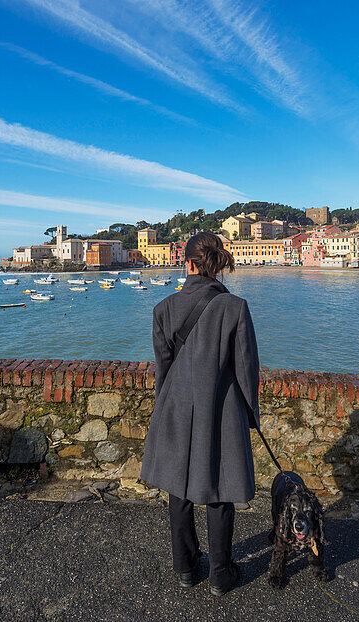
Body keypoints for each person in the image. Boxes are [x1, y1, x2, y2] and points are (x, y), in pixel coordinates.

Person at [140, 231, 261, 596]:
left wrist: (163, 410)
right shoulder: (235, 307)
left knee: (178, 488)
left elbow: (163, 368)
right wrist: (250, 416)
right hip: (220, 407)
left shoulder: (163, 309)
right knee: (220, 489)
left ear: (187, 263)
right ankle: (221, 575)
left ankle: (186, 568)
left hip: (175, 404)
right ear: (214, 265)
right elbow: (246, 371)